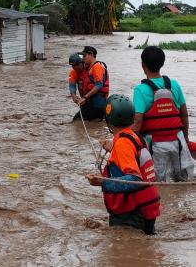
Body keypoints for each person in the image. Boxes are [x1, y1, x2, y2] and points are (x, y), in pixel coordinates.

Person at [86, 94, 160, 235]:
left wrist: (102, 182)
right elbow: (133, 157)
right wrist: (112, 148)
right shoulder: (135, 136)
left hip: (133, 213)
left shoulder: (122, 144)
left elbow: (135, 179)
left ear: (108, 121)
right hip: (147, 209)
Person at [133, 46, 194, 182]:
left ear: (143, 65)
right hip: (178, 142)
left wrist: (127, 141)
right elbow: (184, 114)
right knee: (181, 182)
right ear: (162, 63)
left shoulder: (140, 90)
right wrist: (186, 139)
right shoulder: (174, 85)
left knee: (158, 183)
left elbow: (138, 122)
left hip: (155, 144)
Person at [77, 46, 109, 120]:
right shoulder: (90, 68)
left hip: (97, 104)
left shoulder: (97, 67)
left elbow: (99, 85)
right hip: (92, 104)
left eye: (84, 56)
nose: (83, 58)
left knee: (76, 122)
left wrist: (84, 97)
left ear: (91, 54)